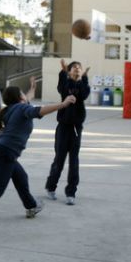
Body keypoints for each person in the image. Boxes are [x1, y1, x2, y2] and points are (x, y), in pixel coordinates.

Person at [0, 87, 76, 239]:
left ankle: (31, 206)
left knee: (20, 176)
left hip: (0, 151)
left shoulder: (9, 110)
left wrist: (31, 88)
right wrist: (62, 104)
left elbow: (28, 99)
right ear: (19, 96)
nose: (26, 96)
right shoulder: (23, 108)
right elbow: (40, 110)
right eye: (23, 93)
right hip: (6, 153)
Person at [45, 59, 90, 205]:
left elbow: (83, 94)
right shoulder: (65, 85)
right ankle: (51, 187)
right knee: (59, 159)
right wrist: (63, 73)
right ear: (69, 71)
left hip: (76, 128)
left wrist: (84, 78)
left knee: (74, 161)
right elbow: (62, 89)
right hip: (63, 128)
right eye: (74, 67)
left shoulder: (83, 85)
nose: (77, 68)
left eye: (79, 67)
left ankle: (71, 192)